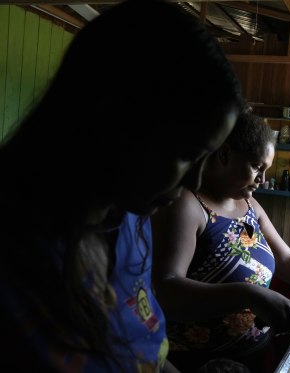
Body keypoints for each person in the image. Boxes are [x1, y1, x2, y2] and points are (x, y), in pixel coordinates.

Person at [0, 0, 245, 371]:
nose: (193, 183)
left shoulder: (128, 221)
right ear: (116, 117)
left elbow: (143, 354)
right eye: (187, 153)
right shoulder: (15, 259)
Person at [151, 113, 290, 372]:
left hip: (252, 353)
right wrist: (250, 295)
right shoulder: (187, 205)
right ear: (224, 156)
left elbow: (286, 260)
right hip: (199, 362)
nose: (263, 179)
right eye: (257, 167)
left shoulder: (248, 206)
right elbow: (167, 289)